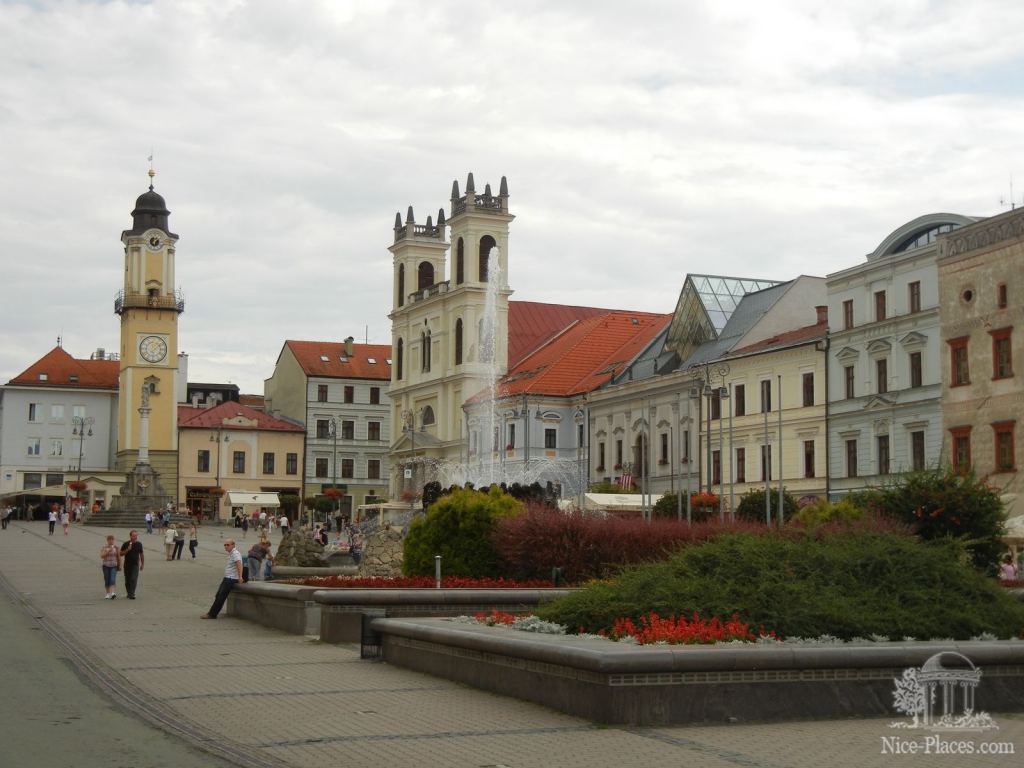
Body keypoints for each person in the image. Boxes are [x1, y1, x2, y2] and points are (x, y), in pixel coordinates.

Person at [202, 538, 243, 619]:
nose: (226, 546)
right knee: (218, 595)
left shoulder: (235, 553)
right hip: (227, 577)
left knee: (221, 596)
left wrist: (240, 577)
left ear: (233, 545)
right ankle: (212, 613)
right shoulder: (231, 553)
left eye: (228, 545)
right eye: (225, 545)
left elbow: (239, 564)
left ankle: (212, 614)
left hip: (231, 579)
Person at [119, 530, 144, 599]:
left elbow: (141, 554)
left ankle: (132, 594)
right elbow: (120, 554)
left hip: (135, 564)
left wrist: (142, 564)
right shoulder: (126, 544)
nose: (135, 537)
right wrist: (127, 550)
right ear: (130, 536)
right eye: (133, 536)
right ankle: (129, 593)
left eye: (136, 536)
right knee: (127, 580)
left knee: (133, 579)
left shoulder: (139, 544)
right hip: (127, 565)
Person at [100, 535, 121, 599]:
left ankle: (113, 593)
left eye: (112, 540)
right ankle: (107, 593)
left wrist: (119, 565)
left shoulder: (116, 547)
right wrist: (108, 551)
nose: (111, 541)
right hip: (106, 565)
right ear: (107, 540)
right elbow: (102, 556)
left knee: (112, 579)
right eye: (109, 540)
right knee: (107, 580)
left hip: (114, 565)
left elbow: (118, 557)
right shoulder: (104, 547)